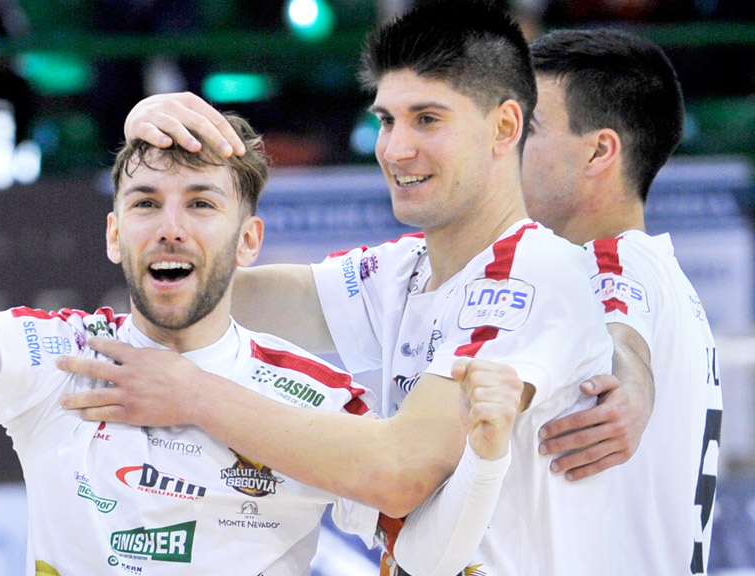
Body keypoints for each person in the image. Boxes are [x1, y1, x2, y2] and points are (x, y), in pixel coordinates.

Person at [0, 79, 527, 576]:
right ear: (114, 235)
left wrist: (487, 456)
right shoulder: (57, 358)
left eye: (202, 204)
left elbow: (429, 558)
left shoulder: (313, 395)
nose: (171, 227)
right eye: (147, 203)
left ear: (248, 241)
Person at [59, 1, 625, 574]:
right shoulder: (405, 269)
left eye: (427, 119)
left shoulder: (531, 274)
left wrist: (192, 394)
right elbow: (209, 293)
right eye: (387, 120)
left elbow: (399, 472)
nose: (395, 149)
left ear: (504, 128)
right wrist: (153, 152)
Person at [523, 28, 722, 574]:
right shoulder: (661, 275)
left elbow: (620, 334)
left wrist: (633, 383)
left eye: (527, 129)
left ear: (599, 151)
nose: (502, 147)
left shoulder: (609, 259)